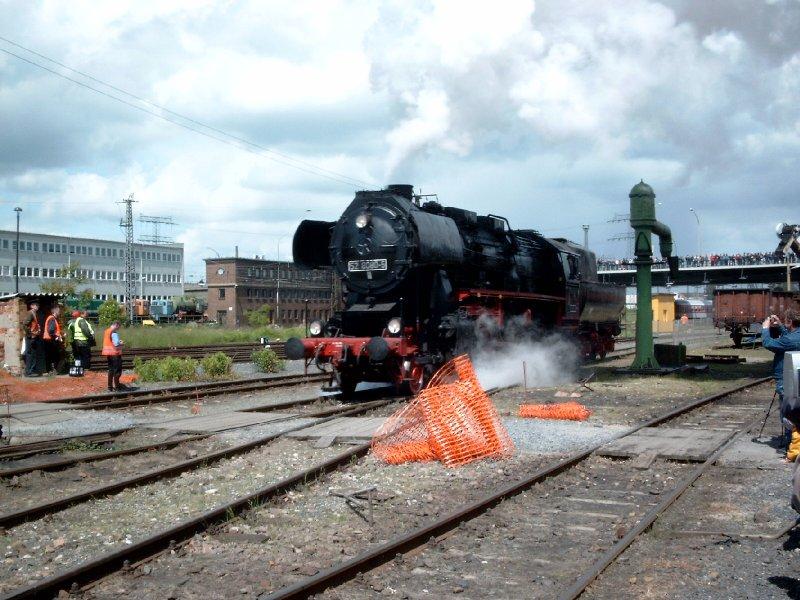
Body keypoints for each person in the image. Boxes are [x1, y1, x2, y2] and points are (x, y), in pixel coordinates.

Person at [762, 310, 800, 452]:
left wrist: (766, 328)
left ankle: (791, 444)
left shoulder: (790, 340)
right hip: (796, 377)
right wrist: (780, 327)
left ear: (790, 322)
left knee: (788, 412)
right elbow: (789, 337)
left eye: (785, 321)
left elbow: (768, 343)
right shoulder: (794, 336)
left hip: (787, 379)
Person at [101, 321, 125, 392]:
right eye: (118, 327)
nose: (118, 329)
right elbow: (116, 344)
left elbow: (110, 341)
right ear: (116, 325)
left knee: (111, 370)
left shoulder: (107, 331)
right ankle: (117, 387)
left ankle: (110, 387)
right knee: (117, 371)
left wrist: (117, 342)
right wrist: (121, 343)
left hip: (109, 354)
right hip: (115, 353)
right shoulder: (114, 333)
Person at [22, 301, 42, 377]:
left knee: (33, 353)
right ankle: (28, 372)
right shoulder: (30, 313)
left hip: (34, 336)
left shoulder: (34, 313)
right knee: (30, 354)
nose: (37, 306)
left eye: (38, 305)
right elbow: (25, 324)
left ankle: (31, 370)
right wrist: (30, 334)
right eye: (36, 305)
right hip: (30, 337)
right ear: (32, 306)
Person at [42, 306, 64, 374]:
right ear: (55, 312)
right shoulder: (52, 319)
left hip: (49, 340)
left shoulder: (52, 318)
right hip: (50, 340)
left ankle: (50, 370)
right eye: (59, 311)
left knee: (50, 356)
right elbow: (51, 330)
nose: (59, 313)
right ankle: (51, 370)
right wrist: (57, 336)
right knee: (53, 356)